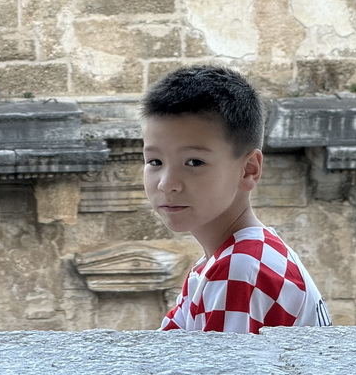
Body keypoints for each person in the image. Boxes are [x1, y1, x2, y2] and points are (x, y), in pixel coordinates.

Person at [141, 65, 330, 333]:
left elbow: (220, 374)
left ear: (249, 169)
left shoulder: (240, 269)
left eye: (194, 162)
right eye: (155, 161)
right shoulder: (226, 260)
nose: (167, 183)